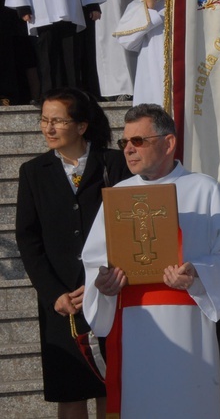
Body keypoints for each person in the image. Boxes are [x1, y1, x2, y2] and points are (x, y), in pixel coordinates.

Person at [82, 104, 220, 418]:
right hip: (135, 322)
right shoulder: (119, 194)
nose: (129, 150)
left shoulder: (206, 191)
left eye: (139, 141)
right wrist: (103, 285)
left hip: (188, 323)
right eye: (125, 143)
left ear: (169, 143)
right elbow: (94, 261)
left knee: (188, 403)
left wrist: (196, 274)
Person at [15, 88, 132, 419]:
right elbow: (27, 238)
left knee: (112, 388)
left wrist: (118, 275)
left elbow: (131, 225)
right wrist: (54, 295)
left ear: (81, 126)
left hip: (111, 293)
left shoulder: (113, 164)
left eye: (58, 121)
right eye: (44, 120)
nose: (48, 128)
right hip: (64, 299)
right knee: (71, 391)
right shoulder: (34, 172)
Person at [114, 0, 168, 106]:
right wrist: (150, 8)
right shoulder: (139, 6)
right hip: (153, 79)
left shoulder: (193, 3)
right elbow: (127, 42)